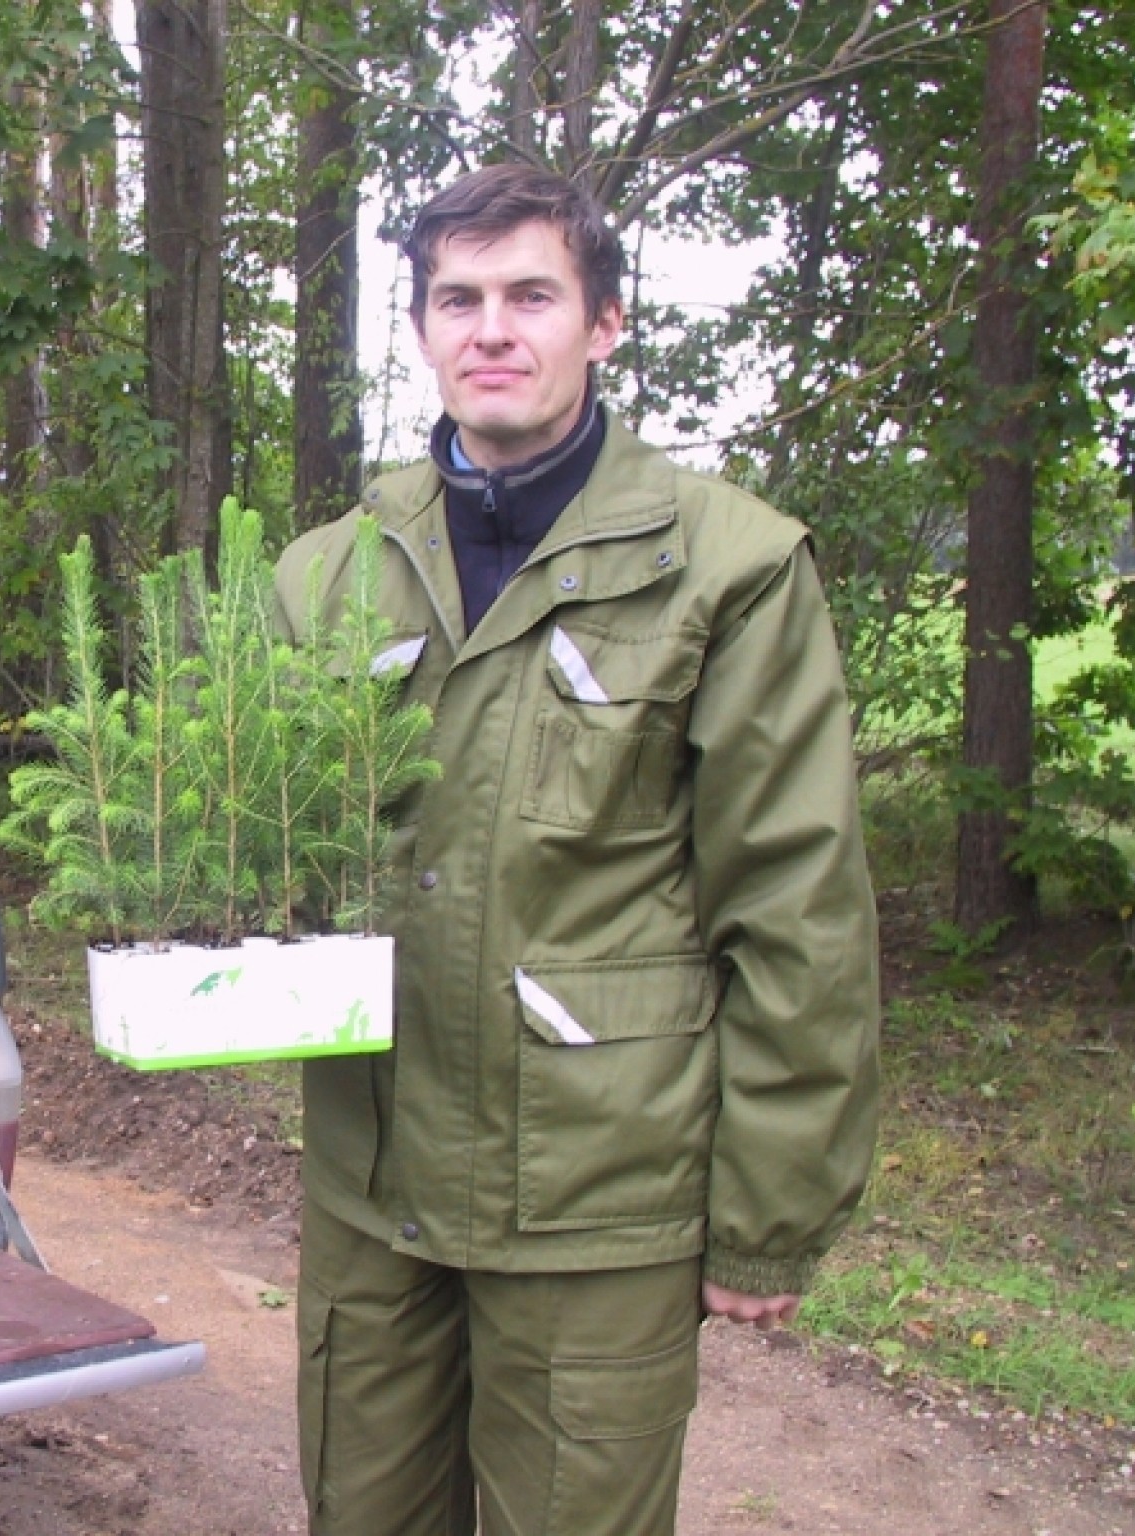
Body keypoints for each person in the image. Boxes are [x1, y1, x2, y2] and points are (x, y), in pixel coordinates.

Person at [273, 164, 881, 1536]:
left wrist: (771, 1210)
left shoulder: (727, 565)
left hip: (599, 1201)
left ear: (603, 323)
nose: (493, 328)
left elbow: (794, 903)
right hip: (373, 1188)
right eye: (458, 299)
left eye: (531, 295)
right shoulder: (329, 570)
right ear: (424, 330)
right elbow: (265, 849)